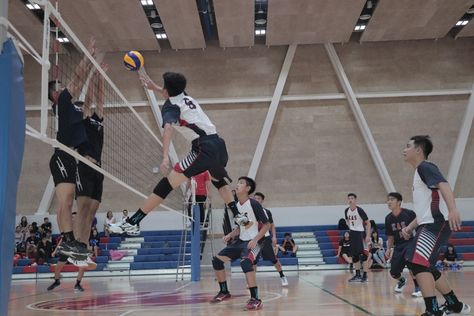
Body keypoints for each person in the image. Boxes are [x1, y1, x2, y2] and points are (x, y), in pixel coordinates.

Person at [108, 71, 249, 236]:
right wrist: (155, 87)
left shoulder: (170, 107)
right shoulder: (186, 98)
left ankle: (133, 222)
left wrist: (165, 156)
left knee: (166, 184)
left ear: (167, 90)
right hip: (219, 145)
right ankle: (238, 215)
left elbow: (168, 128)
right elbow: (172, 93)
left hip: (202, 148)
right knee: (218, 180)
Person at [401, 135, 470, 315]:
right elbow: (425, 210)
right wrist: (410, 227)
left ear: (418, 150)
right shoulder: (419, 173)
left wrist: (453, 209)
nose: (404, 149)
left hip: (436, 224)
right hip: (428, 224)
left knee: (416, 262)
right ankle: (454, 305)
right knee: (426, 266)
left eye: (407, 146)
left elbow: (444, 185)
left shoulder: (426, 167)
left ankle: (432, 311)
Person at [47, 38, 97, 260]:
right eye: (60, 87)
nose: (64, 87)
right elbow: (76, 80)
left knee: (67, 202)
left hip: (70, 156)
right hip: (61, 155)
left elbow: (81, 93)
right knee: (65, 202)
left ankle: (68, 241)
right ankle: (67, 241)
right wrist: (87, 57)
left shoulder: (70, 107)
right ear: (55, 95)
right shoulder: (62, 102)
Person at [209, 177, 269, 310]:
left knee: (246, 262)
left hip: (255, 241)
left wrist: (255, 240)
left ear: (247, 189)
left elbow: (266, 225)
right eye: (238, 182)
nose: (237, 185)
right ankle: (224, 291)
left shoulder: (254, 204)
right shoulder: (236, 205)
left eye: (241, 183)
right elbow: (241, 226)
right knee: (216, 261)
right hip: (240, 241)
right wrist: (230, 235)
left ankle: (255, 299)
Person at [72, 64, 107, 266]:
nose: (84, 109)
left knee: (92, 212)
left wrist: (100, 77)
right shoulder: (82, 123)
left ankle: (83, 251)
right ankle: (77, 249)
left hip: (98, 170)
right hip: (85, 167)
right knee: (82, 209)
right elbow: (89, 101)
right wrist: (92, 75)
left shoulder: (98, 120)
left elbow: (99, 100)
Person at [384, 192, 421, 297]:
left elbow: (419, 226)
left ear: (399, 202)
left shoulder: (409, 214)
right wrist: (389, 249)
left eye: (392, 199)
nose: (389, 202)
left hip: (410, 243)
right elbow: (390, 236)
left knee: (411, 266)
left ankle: (418, 287)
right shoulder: (388, 218)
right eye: (388, 200)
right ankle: (402, 280)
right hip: (398, 246)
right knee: (394, 272)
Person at [253, 192, 288, 286]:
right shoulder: (250, 212)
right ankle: (252, 282)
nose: (256, 200)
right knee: (253, 261)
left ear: (262, 200)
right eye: (255, 198)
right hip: (254, 239)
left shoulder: (266, 212)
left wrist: (274, 236)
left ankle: (282, 276)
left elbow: (272, 225)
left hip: (265, 239)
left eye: (258, 198)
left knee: (273, 259)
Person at [345, 193, 371, 283]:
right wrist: (350, 229)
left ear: (355, 200)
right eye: (349, 198)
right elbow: (347, 220)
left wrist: (367, 235)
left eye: (352, 198)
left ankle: (365, 276)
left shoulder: (360, 210)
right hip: (353, 234)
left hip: (361, 234)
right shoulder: (346, 211)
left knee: (363, 256)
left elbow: (368, 223)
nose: (350, 200)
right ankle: (357, 275)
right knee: (354, 256)